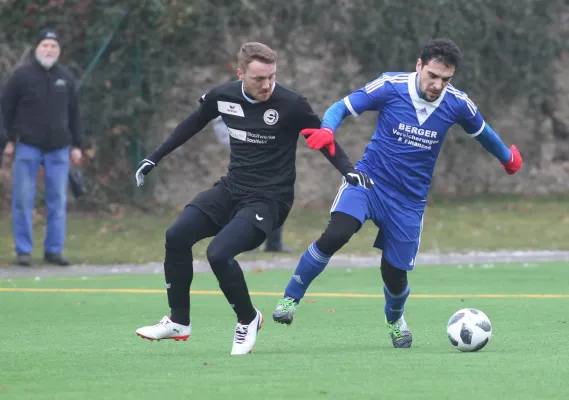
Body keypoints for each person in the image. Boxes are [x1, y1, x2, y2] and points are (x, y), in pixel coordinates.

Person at [272, 38, 523, 348]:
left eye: (445, 79)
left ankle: (395, 319)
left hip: (408, 201)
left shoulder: (457, 103)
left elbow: (483, 133)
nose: (437, 84)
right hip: (368, 182)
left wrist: (507, 158)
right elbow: (343, 107)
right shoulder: (390, 86)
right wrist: (328, 128)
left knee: (394, 275)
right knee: (337, 234)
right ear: (419, 66)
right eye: (432, 75)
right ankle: (289, 299)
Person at [133, 42, 371, 355]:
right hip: (232, 188)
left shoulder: (291, 103)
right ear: (241, 74)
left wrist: (347, 170)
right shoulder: (223, 96)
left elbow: (322, 138)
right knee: (176, 236)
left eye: (271, 76)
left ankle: (248, 319)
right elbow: (193, 123)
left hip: (270, 200)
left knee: (218, 254)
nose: (267, 85)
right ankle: (179, 321)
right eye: (259, 78)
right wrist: (154, 158)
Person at [1, 28, 83, 267]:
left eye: (53, 47)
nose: (49, 50)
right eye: (45, 46)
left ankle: (54, 250)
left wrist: (77, 144)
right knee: (22, 199)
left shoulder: (66, 77)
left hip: (59, 149)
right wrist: (6, 139)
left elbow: (75, 113)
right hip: (27, 146)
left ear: (59, 51)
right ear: (37, 48)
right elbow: (5, 110)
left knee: (57, 200)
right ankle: (23, 251)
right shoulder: (21, 77)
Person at [213, 115, 291, 253]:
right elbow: (221, 126)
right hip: (245, 158)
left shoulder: (272, 98)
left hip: (271, 155)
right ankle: (249, 243)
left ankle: (274, 244)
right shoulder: (230, 98)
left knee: (278, 195)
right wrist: (243, 143)